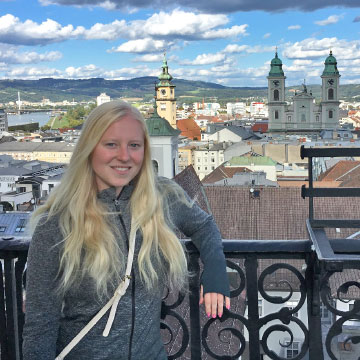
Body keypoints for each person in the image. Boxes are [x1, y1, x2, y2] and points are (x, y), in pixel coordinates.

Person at [22, 100, 230, 360]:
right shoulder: (58, 223)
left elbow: (205, 225)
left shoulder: (161, 196)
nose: (124, 156)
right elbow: (40, 327)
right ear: (89, 148)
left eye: (134, 145)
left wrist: (215, 273)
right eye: (111, 144)